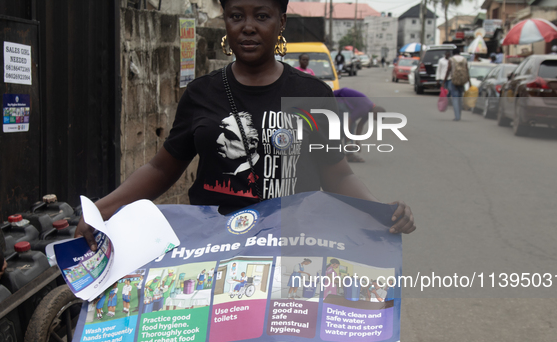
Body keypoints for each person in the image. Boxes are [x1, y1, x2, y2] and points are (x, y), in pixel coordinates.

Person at [75, 0, 415, 253]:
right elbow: (161, 168)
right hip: (212, 250)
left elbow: (337, 175)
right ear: (226, 21)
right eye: (236, 16)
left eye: (261, 16)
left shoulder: (312, 95)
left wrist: (377, 210)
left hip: (291, 252)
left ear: (280, 22)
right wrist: (102, 209)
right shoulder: (201, 93)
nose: (247, 26)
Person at [333, 88, 386, 163]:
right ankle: (349, 154)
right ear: (375, 113)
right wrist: (349, 143)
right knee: (349, 125)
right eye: (374, 118)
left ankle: (333, 149)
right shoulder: (365, 108)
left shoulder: (370, 111)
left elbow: (360, 125)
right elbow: (349, 121)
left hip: (342, 99)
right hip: (338, 98)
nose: (372, 120)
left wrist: (357, 142)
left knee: (343, 128)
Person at [443, 47, 470, 121]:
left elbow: (448, 70)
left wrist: (444, 81)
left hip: (454, 81)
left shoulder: (451, 59)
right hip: (462, 81)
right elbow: (467, 70)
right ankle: (459, 115)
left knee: (455, 98)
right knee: (460, 98)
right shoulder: (464, 59)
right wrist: (469, 81)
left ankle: (457, 116)